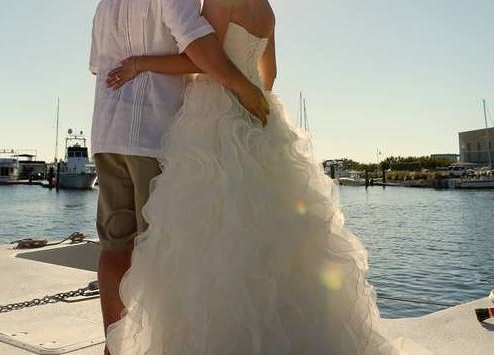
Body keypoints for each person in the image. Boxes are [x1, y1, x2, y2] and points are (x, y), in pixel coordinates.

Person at [104, 0, 431, 354]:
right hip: (258, 114)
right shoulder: (267, 9)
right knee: (270, 233)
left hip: (213, 117)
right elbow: (269, 75)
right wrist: (250, 97)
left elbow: (201, 57)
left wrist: (140, 63)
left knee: (211, 233)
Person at [89, 1, 268, 354]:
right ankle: (158, 344)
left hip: (107, 133)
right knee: (162, 247)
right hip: (152, 135)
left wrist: (136, 63)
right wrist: (244, 88)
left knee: (114, 245)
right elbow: (197, 45)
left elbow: (99, 66)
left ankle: (114, 348)